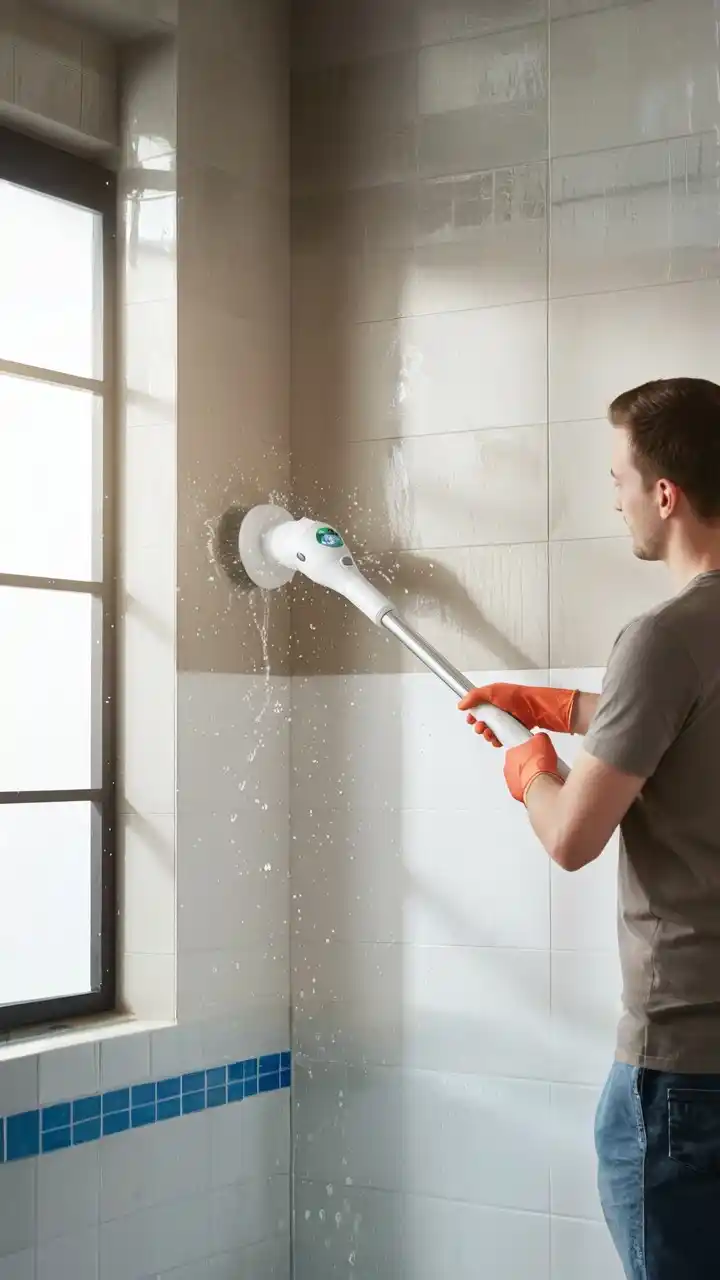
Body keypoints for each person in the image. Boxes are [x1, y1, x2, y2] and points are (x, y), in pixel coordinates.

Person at [459, 377, 720, 1280]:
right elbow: (695, 726)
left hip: (684, 1076)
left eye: (618, 479)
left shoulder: (665, 636)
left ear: (664, 494)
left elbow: (572, 837)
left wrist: (530, 767)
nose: (614, 500)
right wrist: (567, 707)